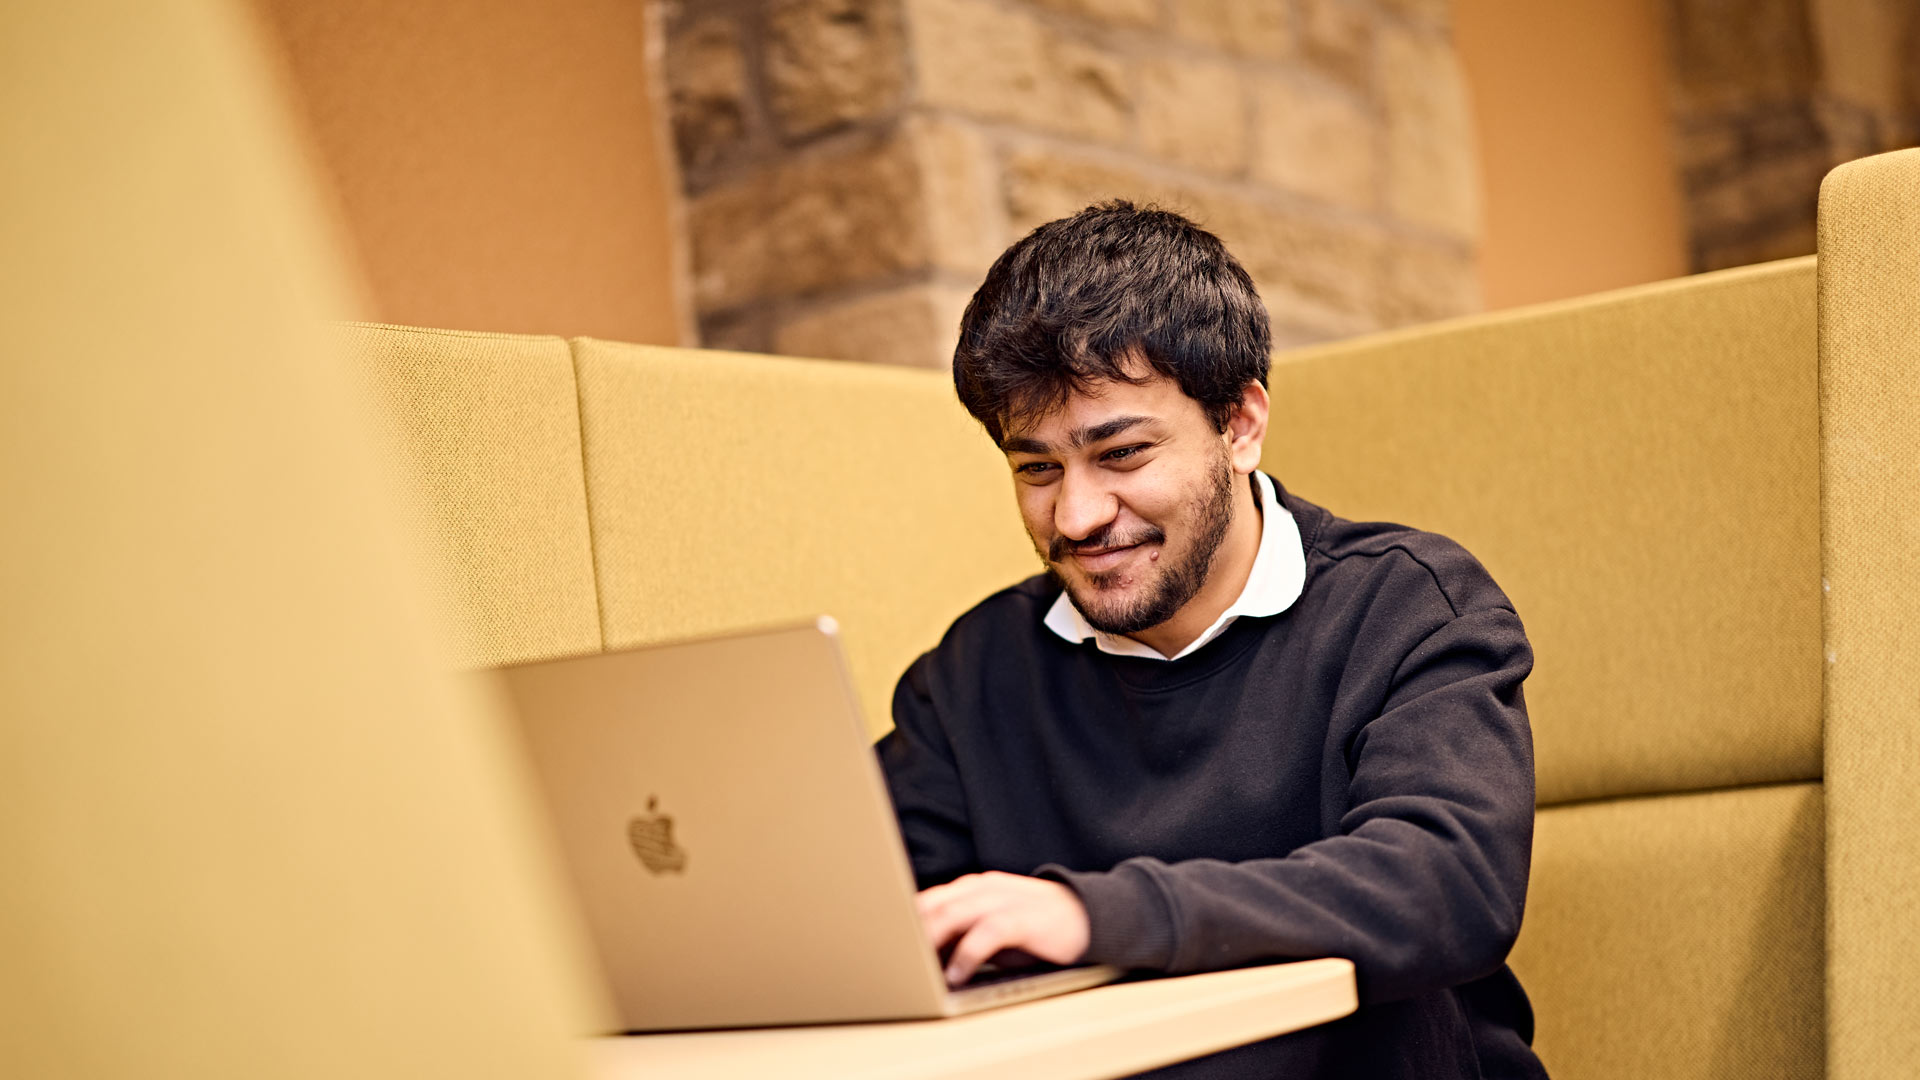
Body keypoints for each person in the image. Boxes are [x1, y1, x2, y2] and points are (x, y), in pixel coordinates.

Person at [875, 202, 1546, 1078]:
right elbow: (872, 914)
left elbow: (1447, 884)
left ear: (1240, 426)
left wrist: (1091, 916)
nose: (1075, 515)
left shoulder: (1407, 606)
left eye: (1120, 454)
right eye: (1036, 467)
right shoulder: (974, 672)